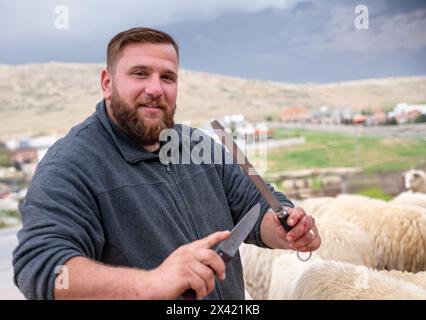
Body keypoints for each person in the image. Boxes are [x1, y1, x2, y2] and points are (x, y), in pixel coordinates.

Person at [13, 27, 321, 300]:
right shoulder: (70, 165)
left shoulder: (198, 145)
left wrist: (286, 228)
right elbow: (43, 268)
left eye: (168, 77)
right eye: (140, 74)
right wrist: (154, 283)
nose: (155, 89)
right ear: (107, 83)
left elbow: (256, 206)